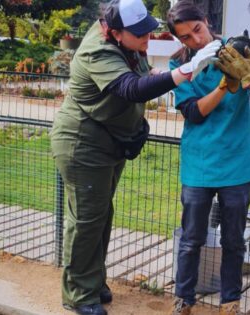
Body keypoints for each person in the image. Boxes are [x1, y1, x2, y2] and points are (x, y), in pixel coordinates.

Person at [50, 0, 221, 313]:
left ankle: (92, 280)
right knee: (86, 219)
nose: (147, 38)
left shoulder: (126, 41)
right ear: (115, 32)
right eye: (140, 33)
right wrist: (186, 69)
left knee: (101, 215)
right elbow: (131, 88)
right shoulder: (97, 50)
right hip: (82, 143)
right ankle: (78, 292)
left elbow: (141, 75)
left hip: (108, 141)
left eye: (147, 29)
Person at [166, 1, 250, 315]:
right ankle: (184, 298)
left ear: (206, 21)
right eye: (186, 37)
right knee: (191, 239)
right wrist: (225, 86)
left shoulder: (240, 52)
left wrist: (248, 75)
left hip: (237, 165)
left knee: (234, 240)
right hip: (199, 166)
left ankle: (230, 301)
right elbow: (193, 113)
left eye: (197, 30)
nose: (196, 40)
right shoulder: (181, 68)